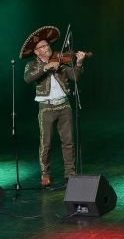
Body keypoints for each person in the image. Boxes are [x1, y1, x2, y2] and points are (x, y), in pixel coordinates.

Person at [20, 26, 85, 187]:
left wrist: (78, 63)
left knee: (68, 141)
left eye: (47, 45)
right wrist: (45, 67)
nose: (47, 47)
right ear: (36, 52)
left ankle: (70, 172)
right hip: (46, 108)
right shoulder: (32, 65)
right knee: (46, 143)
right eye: (42, 46)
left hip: (64, 106)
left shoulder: (60, 62)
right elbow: (28, 79)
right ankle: (45, 174)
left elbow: (75, 77)